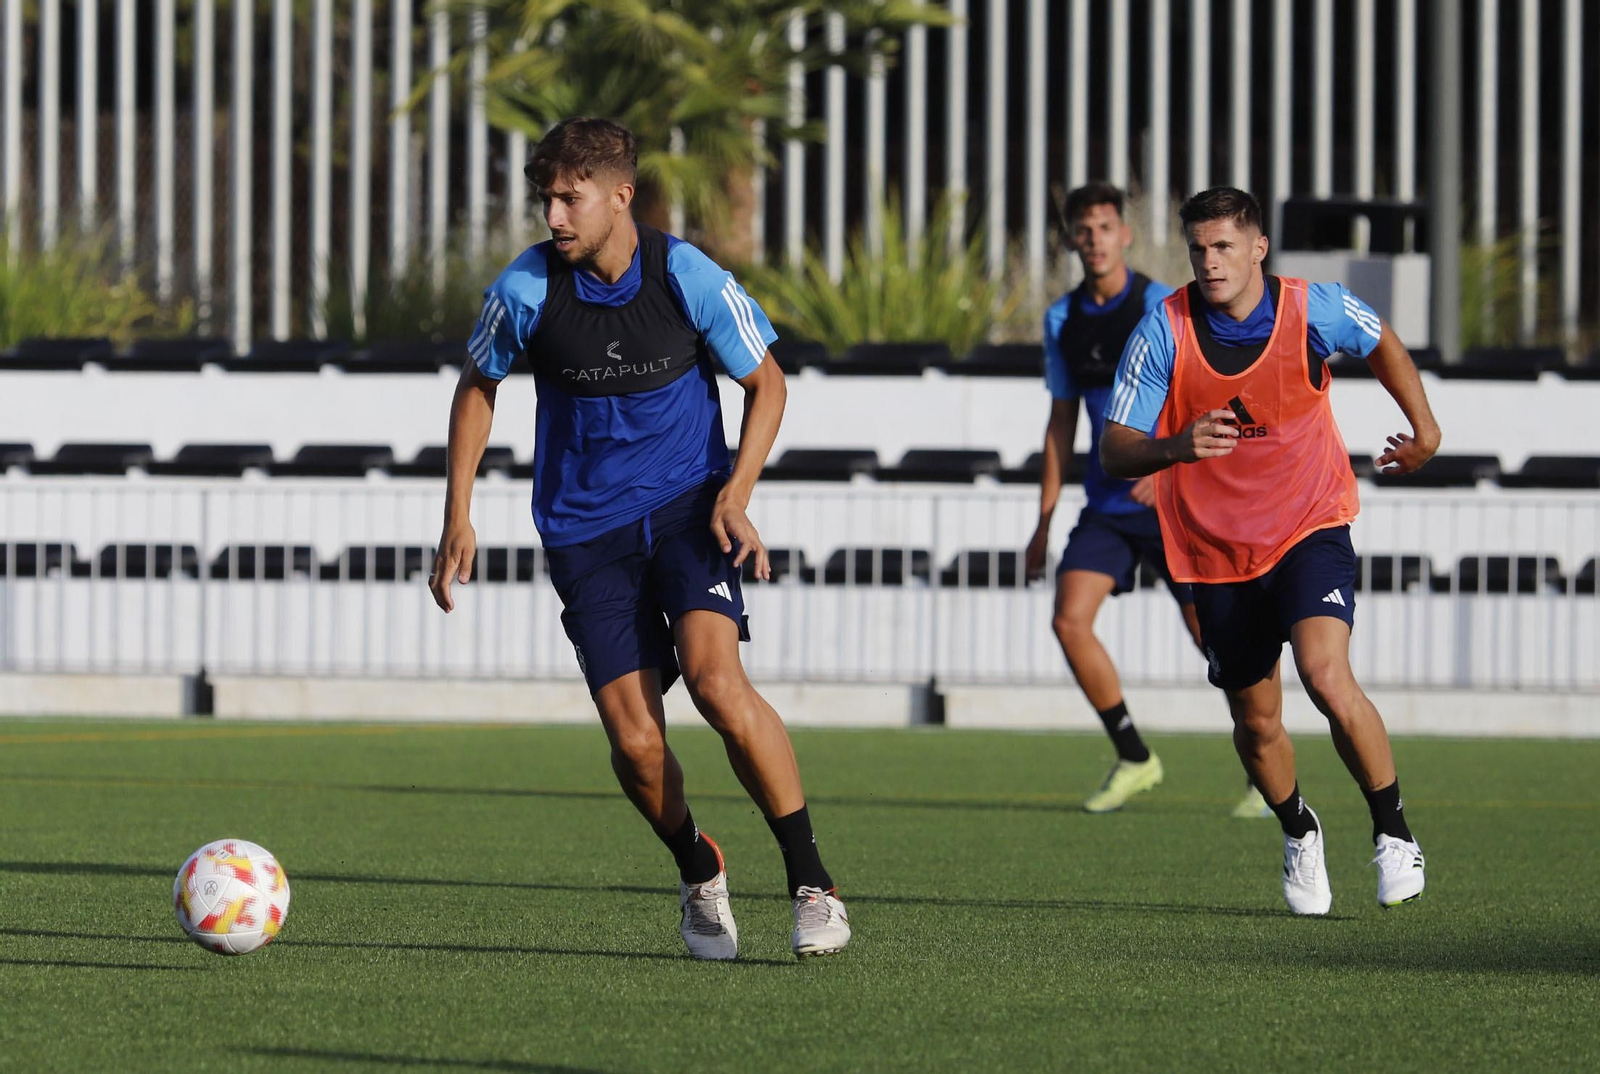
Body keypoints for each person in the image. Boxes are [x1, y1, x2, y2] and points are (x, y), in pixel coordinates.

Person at [428, 117, 849, 960]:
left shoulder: (686, 274)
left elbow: (766, 384)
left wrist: (736, 493)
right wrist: (456, 516)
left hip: (690, 507)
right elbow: (479, 388)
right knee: (635, 742)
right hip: (586, 533)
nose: (553, 216)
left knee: (717, 685)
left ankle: (811, 883)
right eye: (545, 199)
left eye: (568, 198)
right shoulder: (524, 291)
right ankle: (699, 869)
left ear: (620, 196)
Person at [1100, 187, 1440, 914]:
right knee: (1256, 722)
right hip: (1215, 550)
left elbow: (1379, 339)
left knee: (1325, 674)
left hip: (1309, 524)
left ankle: (1393, 830)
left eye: (1223, 246)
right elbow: (1115, 448)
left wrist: (1425, 429)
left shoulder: (1313, 307)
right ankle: (1298, 828)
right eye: (1198, 248)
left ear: (1257, 248)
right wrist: (1172, 447)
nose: (1209, 261)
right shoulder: (1164, 329)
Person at [1025, 182, 1268, 819]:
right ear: (1072, 239)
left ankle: (1264, 766)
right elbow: (1061, 425)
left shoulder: (1165, 305)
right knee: (1069, 619)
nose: (1095, 240)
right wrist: (1043, 522)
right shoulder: (1062, 320)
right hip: (1107, 504)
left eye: (1106, 227)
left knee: (1213, 640)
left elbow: (1205, 392)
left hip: (1177, 503)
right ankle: (1135, 756)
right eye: (1083, 230)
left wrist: (1166, 466)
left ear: (1124, 235)